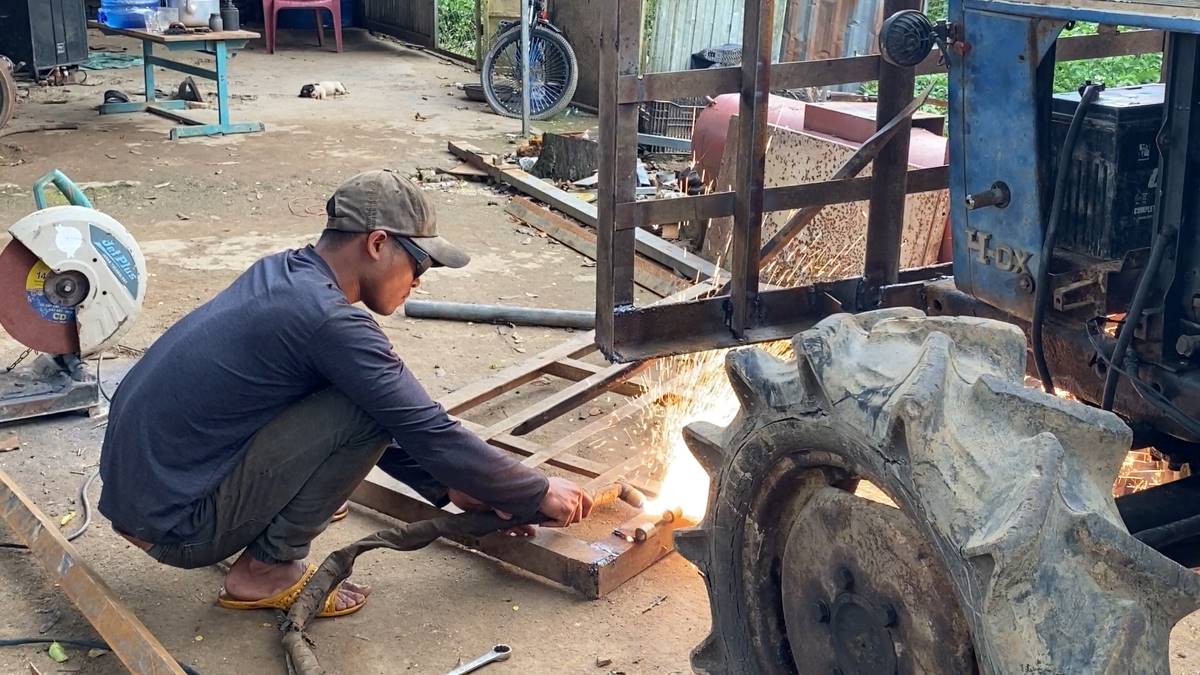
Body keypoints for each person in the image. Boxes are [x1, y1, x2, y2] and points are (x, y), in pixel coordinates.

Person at [98, 170, 593, 618]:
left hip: (147, 499)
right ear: (377, 243)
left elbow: (388, 412)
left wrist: (452, 487)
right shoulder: (330, 321)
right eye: (419, 264)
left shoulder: (284, 274)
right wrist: (536, 491)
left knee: (359, 396)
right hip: (179, 526)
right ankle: (265, 571)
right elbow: (424, 427)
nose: (419, 282)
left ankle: (258, 537)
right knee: (364, 409)